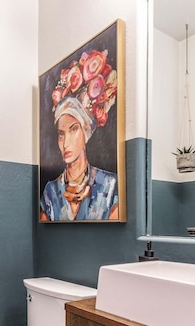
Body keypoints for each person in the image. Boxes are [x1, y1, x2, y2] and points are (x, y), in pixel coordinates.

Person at [40, 49, 119, 221]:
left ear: (86, 132)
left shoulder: (110, 186)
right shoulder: (50, 193)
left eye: (73, 129)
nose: (65, 142)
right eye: (61, 134)